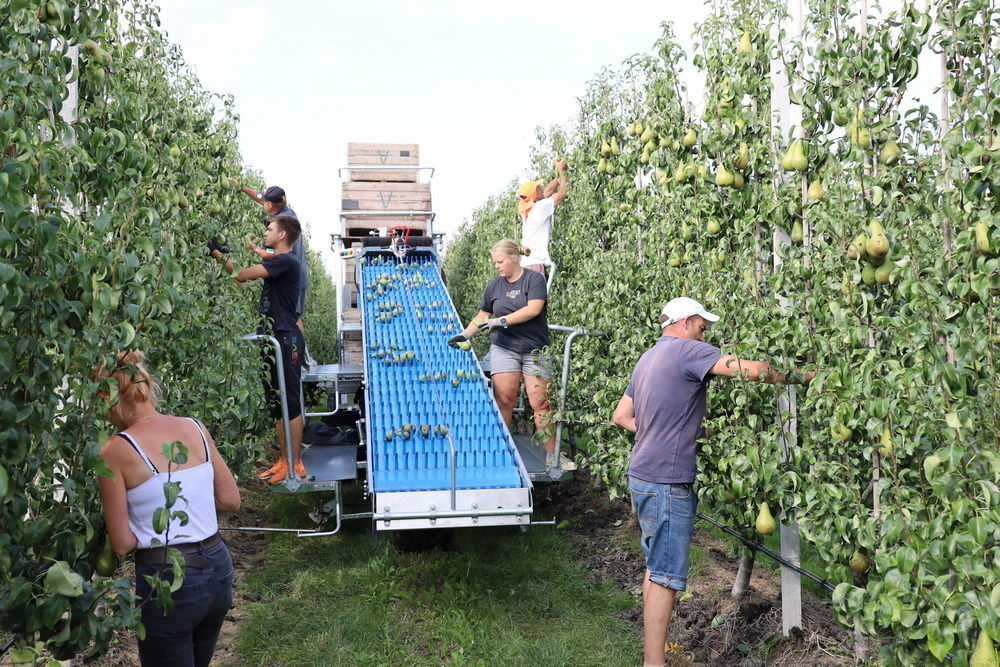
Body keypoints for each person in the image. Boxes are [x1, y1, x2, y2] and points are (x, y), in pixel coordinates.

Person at [611, 297, 815, 667]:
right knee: (666, 576)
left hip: (642, 474)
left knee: (656, 568)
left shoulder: (648, 357)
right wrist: (801, 376)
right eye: (703, 327)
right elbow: (750, 370)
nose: (706, 335)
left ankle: (653, 656)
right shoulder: (687, 350)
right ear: (687, 322)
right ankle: (653, 663)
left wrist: (669, 434)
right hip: (666, 482)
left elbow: (622, 415)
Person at [97, 349, 241, 667]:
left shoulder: (116, 449)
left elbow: (121, 544)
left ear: (108, 399)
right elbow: (231, 499)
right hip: (218, 568)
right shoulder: (195, 427)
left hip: (169, 580)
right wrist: (191, 508)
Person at [447, 239, 574, 471]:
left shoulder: (534, 279)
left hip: (535, 350)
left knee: (541, 404)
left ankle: (553, 456)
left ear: (514, 258)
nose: (497, 266)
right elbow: (483, 314)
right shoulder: (494, 286)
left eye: (500, 261)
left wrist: (500, 320)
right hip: (504, 348)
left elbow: (533, 309)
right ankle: (502, 453)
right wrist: (465, 334)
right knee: (504, 400)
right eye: (495, 262)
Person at [231, 215, 306, 481]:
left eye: (270, 229)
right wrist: (253, 251)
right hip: (273, 336)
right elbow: (260, 260)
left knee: (291, 402)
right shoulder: (279, 261)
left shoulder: (286, 261)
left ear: (283, 235)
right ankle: (283, 460)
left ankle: (295, 463)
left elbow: (240, 275)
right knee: (277, 401)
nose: (265, 232)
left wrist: (217, 253)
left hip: (285, 338)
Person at [230, 180, 309, 338]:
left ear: (271, 205)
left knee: (293, 316)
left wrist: (253, 247)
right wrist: (241, 187)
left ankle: (299, 357)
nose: (262, 202)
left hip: (292, 277)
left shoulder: (282, 223)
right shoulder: (286, 211)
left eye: (265, 201)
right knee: (289, 316)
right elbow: (260, 197)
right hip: (289, 273)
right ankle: (295, 355)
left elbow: (271, 255)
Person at [517, 158, 568, 275]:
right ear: (535, 194)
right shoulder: (539, 208)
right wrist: (562, 171)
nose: (541, 188)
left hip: (527, 264)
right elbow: (562, 194)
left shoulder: (529, 207)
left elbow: (548, 191)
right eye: (538, 188)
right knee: (539, 293)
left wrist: (558, 177)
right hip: (536, 265)